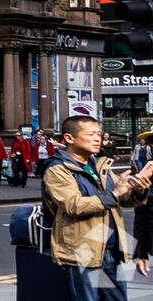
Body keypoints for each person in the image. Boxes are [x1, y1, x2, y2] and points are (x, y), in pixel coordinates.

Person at [46, 114, 153, 300]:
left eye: (99, 133)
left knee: (117, 298)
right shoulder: (58, 169)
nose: (98, 138)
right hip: (83, 248)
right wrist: (114, 194)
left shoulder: (100, 166)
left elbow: (124, 198)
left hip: (111, 247)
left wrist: (138, 191)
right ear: (69, 138)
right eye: (91, 134)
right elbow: (74, 205)